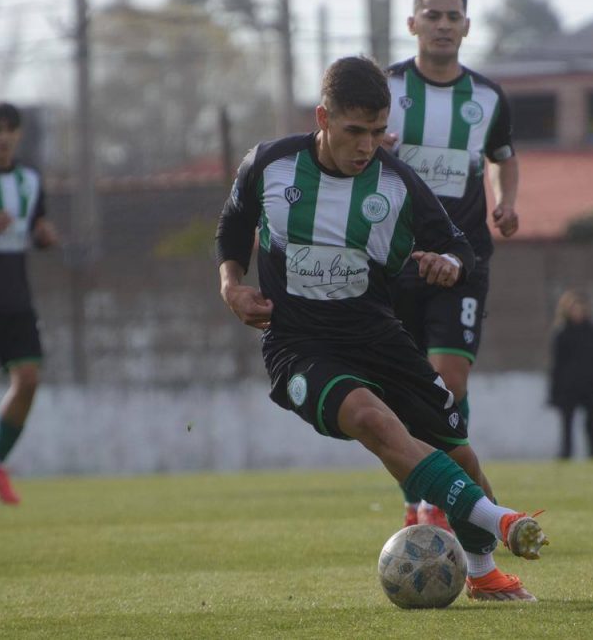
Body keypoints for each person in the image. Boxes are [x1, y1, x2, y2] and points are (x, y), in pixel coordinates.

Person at [216, 56, 545, 602]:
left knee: (461, 457)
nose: (367, 145)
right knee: (372, 418)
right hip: (298, 345)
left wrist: (449, 265)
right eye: (354, 131)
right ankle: (501, 519)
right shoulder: (269, 164)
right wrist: (231, 285)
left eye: (376, 131)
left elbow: (458, 246)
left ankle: (484, 572)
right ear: (323, 117)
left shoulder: (397, 182)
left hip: (377, 338)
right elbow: (233, 224)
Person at [384, 0, 521, 532]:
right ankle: (416, 493)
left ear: (467, 26)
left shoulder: (487, 97)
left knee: (448, 381)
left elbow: (503, 156)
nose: (443, 24)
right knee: (399, 388)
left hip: (463, 258)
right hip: (394, 260)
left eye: (452, 16)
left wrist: (506, 201)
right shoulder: (387, 88)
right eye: (432, 15)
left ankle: (440, 500)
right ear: (412, 24)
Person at [0, 101, 58, 506]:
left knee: (29, 379)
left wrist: (43, 237)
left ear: (18, 135)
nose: (2, 136)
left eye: (9, 129)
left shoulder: (30, 179)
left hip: (16, 300)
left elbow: (33, 227)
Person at [548, 290, 593, 460]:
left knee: (592, 423)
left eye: (581, 308)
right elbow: (556, 365)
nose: (578, 312)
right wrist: (555, 391)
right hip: (568, 388)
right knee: (567, 425)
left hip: (589, 386)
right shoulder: (562, 333)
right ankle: (566, 455)